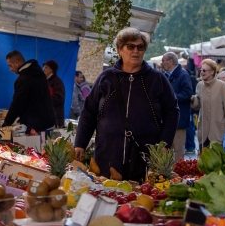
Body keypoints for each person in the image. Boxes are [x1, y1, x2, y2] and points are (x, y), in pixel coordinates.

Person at [74, 28, 177, 180]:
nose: (136, 51)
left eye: (140, 47)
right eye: (130, 46)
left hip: (143, 158)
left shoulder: (157, 79)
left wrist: (164, 144)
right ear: (120, 49)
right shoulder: (106, 78)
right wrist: (80, 143)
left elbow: (172, 112)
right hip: (107, 155)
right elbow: (89, 111)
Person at [2, 51, 56, 134]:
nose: (10, 69)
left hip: (36, 125)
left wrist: (6, 125)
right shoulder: (39, 73)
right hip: (48, 122)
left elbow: (17, 104)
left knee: (34, 147)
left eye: (10, 66)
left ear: (16, 63)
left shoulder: (23, 79)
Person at [195, 58, 225, 150]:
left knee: (218, 159)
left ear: (212, 72)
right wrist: (193, 100)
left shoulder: (222, 85)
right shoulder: (199, 85)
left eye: (204, 70)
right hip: (203, 129)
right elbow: (198, 105)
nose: (202, 72)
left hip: (218, 129)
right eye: (201, 70)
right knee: (204, 160)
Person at [162, 51, 194, 161]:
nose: (162, 63)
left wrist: (171, 97)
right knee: (167, 148)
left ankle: (178, 175)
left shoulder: (182, 74)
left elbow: (188, 93)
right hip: (167, 119)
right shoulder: (165, 75)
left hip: (180, 120)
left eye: (163, 60)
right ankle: (168, 174)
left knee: (178, 148)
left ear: (170, 62)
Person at [43, 60, 66, 128]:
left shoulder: (57, 82)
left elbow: (59, 98)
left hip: (55, 117)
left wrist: (44, 102)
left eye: (46, 67)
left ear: (52, 70)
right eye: (43, 67)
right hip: (45, 116)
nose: (43, 69)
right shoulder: (44, 81)